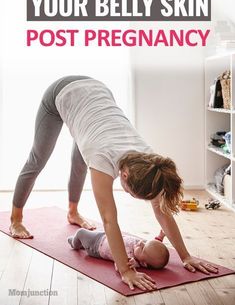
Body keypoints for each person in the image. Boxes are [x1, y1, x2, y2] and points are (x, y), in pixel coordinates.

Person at [10, 75, 218, 291]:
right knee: (37, 159)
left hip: (96, 100)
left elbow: (162, 211)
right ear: (125, 176)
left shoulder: (150, 162)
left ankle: (72, 213)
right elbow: (109, 220)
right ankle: (15, 219)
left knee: (80, 161)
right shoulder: (103, 158)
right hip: (62, 92)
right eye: (131, 194)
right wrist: (126, 270)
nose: (128, 195)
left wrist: (185, 256)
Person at [67, 228, 170, 270]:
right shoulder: (146, 251)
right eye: (145, 242)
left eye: (142, 248)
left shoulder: (130, 259)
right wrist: (159, 238)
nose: (141, 243)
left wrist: (129, 265)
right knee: (101, 229)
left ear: (143, 263)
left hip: (97, 246)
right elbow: (153, 247)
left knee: (81, 232)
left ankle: (74, 243)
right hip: (106, 236)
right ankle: (82, 244)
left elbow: (119, 266)